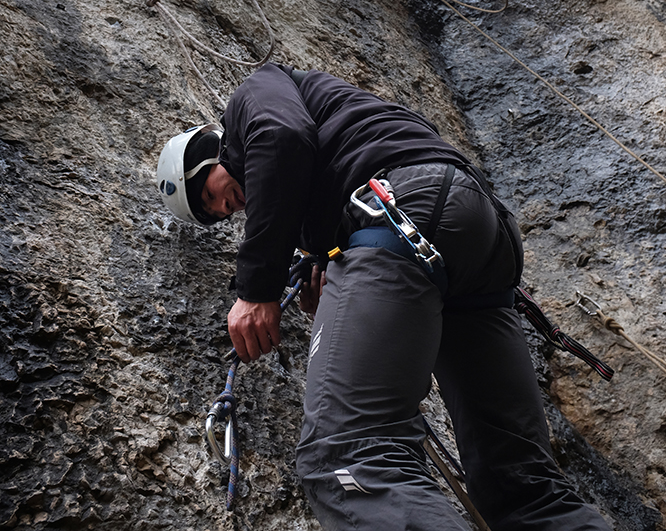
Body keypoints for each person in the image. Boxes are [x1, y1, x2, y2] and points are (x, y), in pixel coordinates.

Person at [157, 62, 612, 531]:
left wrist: (257, 290)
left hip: (405, 210)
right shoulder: (340, 152)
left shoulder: (252, 96)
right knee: (522, 485)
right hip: (477, 236)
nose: (222, 208)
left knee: (348, 456)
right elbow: (323, 173)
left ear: (211, 151)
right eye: (210, 215)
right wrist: (325, 259)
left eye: (204, 193)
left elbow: (283, 137)